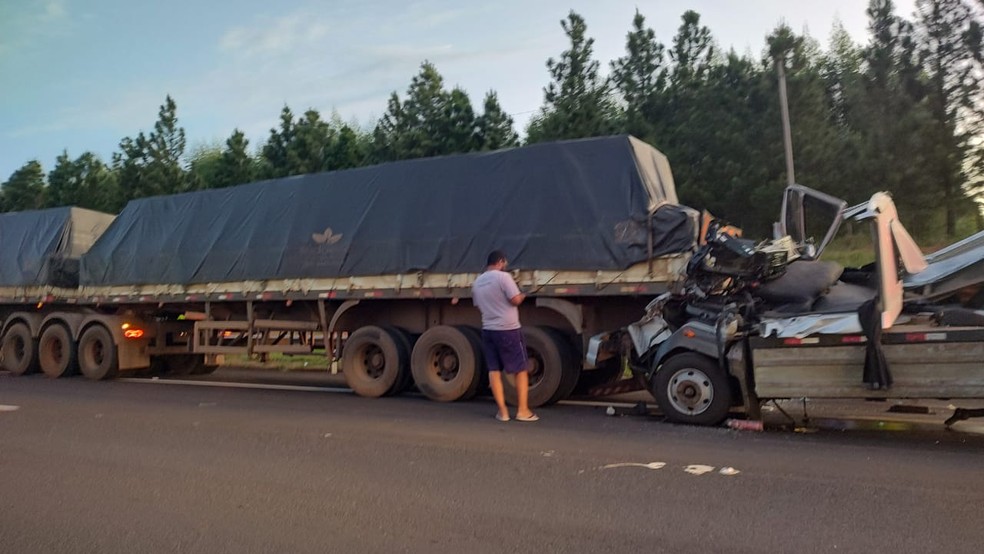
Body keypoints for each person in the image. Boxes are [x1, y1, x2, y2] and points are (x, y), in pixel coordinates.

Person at [471, 250, 538, 422]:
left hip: (488, 330)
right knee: (520, 369)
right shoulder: (503, 278)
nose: (505, 265)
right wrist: (522, 295)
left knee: (494, 371)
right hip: (508, 329)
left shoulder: (477, 282)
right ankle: (522, 411)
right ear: (500, 261)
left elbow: (478, 304)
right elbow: (515, 300)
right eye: (505, 263)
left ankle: (503, 412)